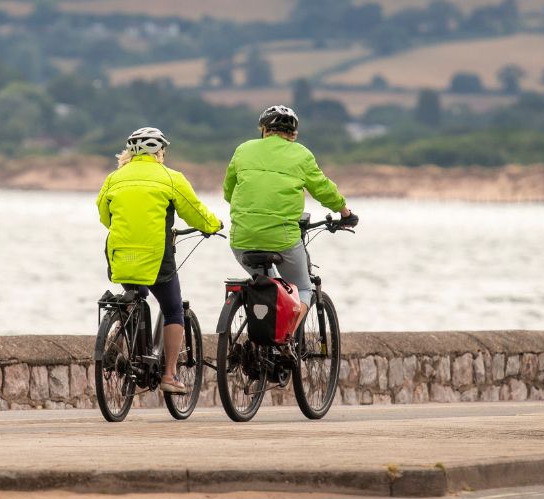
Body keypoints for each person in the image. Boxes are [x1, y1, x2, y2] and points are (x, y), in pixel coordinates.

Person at [97, 127, 221, 394]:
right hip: (157, 257)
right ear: (159, 151)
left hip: (120, 255)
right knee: (173, 308)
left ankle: (120, 329)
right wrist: (213, 226)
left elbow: (105, 217)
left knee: (135, 297)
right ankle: (169, 375)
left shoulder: (114, 178)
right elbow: (196, 212)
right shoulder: (171, 178)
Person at [223, 105, 357, 321]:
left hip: (242, 238)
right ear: (293, 134)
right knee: (303, 288)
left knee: (267, 286)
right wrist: (345, 212)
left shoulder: (243, 149)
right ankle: (284, 342)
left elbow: (229, 192)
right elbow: (324, 190)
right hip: (282, 239)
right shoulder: (301, 154)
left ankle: (260, 341)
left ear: (264, 130)